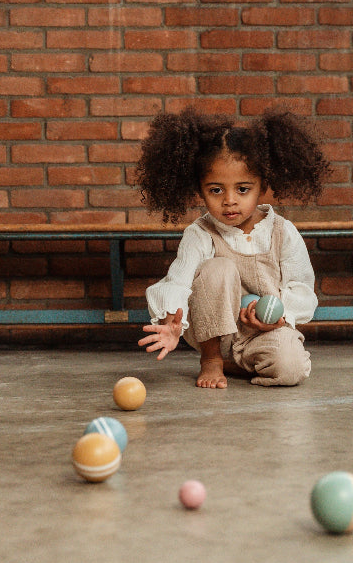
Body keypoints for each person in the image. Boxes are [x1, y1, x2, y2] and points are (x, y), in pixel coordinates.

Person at [135, 107, 330, 389]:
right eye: (216, 190)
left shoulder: (282, 232)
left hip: (264, 332)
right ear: (200, 190)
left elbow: (301, 287)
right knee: (218, 266)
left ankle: (237, 364)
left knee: (291, 369)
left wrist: (281, 318)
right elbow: (178, 281)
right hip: (212, 332)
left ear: (262, 187)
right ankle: (212, 360)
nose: (229, 201)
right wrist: (171, 321)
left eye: (242, 189)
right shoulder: (200, 234)